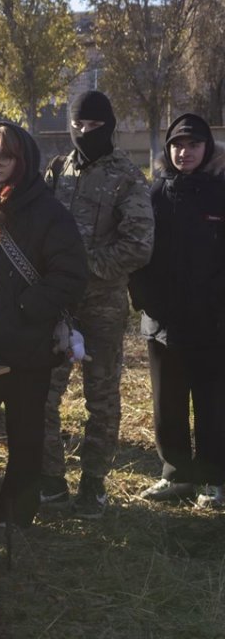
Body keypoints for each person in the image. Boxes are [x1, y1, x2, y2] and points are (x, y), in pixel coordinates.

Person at [0, 122, 87, 536]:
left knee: (25, 440)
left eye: (4, 156)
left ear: (23, 161)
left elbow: (72, 274)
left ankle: (14, 518)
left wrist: (23, 309)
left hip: (28, 351)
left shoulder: (49, 212)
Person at [39, 91, 153, 518]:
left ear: (109, 126)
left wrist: (83, 268)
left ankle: (94, 484)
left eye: (93, 126)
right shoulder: (57, 169)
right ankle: (51, 481)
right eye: (78, 125)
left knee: (101, 398)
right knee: (44, 396)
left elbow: (139, 245)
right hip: (58, 305)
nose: (84, 133)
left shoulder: (127, 176)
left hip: (103, 305)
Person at [129, 114, 225, 509]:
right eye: (177, 145)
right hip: (162, 322)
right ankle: (176, 476)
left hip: (213, 323)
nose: (184, 152)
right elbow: (137, 255)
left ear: (208, 149)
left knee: (213, 403)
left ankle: (213, 480)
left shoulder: (220, 193)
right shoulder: (154, 195)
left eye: (194, 145)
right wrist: (149, 304)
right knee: (167, 405)